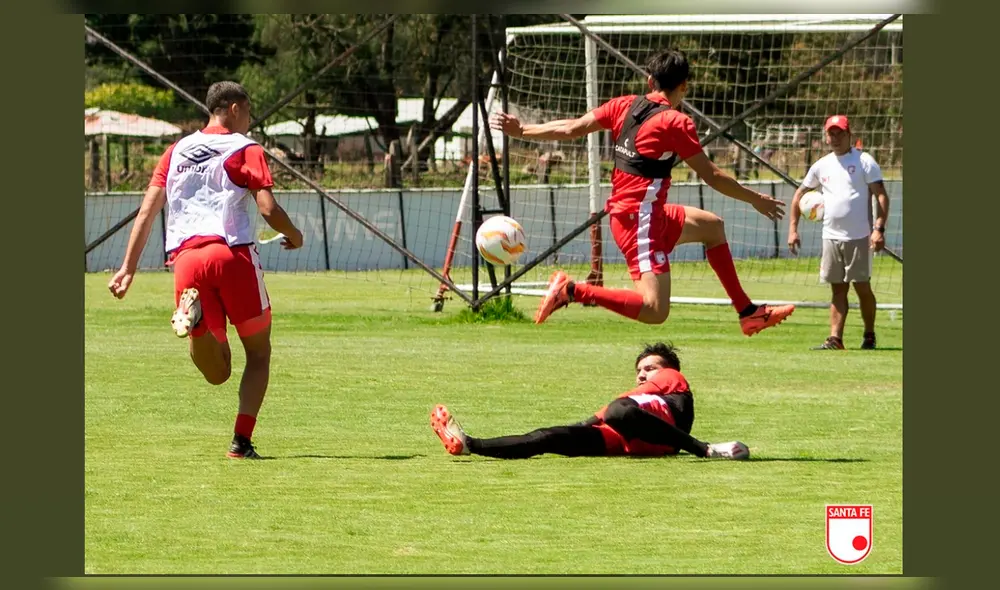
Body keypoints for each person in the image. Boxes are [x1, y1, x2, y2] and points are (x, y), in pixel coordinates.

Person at [489, 48, 794, 336]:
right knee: (655, 310)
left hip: (642, 214)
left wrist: (522, 131)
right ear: (684, 86)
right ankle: (572, 290)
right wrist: (756, 199)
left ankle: (747, 312)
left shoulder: (623, 105)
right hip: (640, 221)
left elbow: (572, 128)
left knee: (712, 226)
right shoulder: (676, 122)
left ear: (650, 81)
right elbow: (712, 176)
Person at [107, 81, 304, 458]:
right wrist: (295, 235)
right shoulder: (246, 148)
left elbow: (147, 211)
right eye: (248, 111)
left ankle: (196, 323)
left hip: (186, 262)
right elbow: (267, 208)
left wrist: (128, 268)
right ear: (232, 108)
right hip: (231, 255)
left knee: (218, 373)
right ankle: (240, 442)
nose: (250, 119)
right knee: (258, 354)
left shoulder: (175, 151)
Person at [430, 342, 749, 461]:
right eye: (639, 370)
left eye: (649, 367)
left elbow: (623, 404)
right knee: (547, 437)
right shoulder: (636, 397)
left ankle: (706, 449)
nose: (642, 374)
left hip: (665, 433)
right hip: (628, 439)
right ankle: (471, 444)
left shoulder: (675, 382)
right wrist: (585, 426)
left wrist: (593, 418)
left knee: (619, 410)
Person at [788, 115, 890, 350]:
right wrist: (793, 229)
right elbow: (798, 195)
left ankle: (869, 334)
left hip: (859, 236)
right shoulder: (821, 165)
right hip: (830, 237)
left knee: (862, 287)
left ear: (849, 135)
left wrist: (879, 228)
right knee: (837, 289)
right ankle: (835, 339)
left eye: (839, 133)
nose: (834, 138)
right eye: (830, 134)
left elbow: (881, 194)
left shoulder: (864, 161)